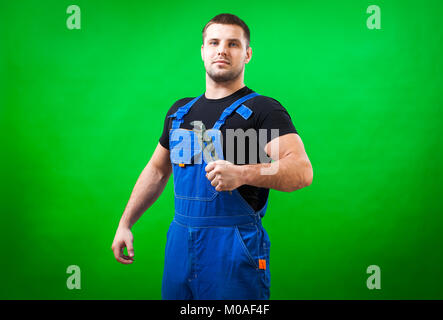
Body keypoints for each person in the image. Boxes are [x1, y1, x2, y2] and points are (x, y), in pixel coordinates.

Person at [111, 13, 313, 300]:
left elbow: (301, 171)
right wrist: (125, 223)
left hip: (233, 248)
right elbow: (156, 171)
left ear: (247, 54)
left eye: (233, 44)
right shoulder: (180, 113)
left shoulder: (263, 110)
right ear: (203, 51)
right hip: (180, 244)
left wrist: (242, 173)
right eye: (214, 42)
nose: (222, 50)